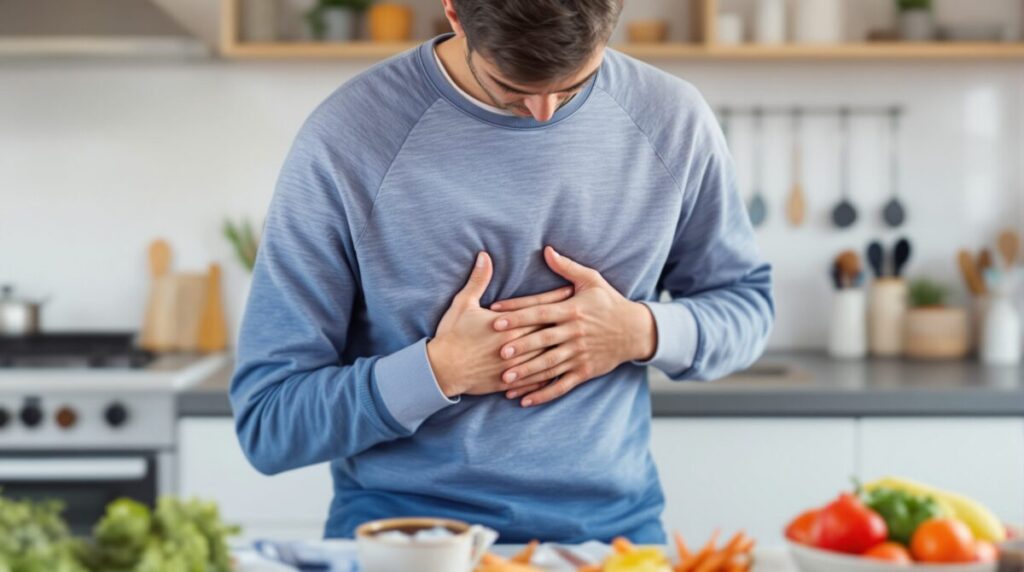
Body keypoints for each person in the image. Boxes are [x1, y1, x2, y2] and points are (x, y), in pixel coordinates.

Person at [230, 0, 774, 544]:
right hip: (411, 543)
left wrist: (638, 331)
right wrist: (438, 372)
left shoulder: (672, 119)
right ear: (454, 13)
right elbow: (269, 422)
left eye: (575, 86)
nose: (544, 112)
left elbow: (746, 307)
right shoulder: (348, 138)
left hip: (610, 543)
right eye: (510, 88)